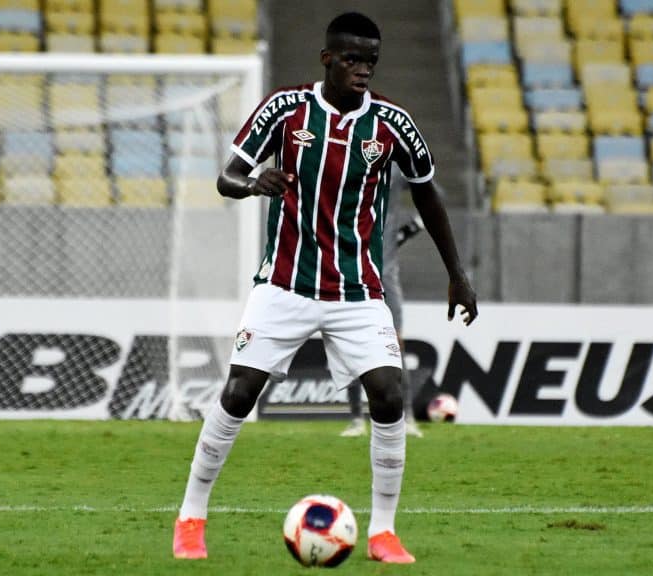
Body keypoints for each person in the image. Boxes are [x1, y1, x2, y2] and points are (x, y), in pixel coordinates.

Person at [172, 12, 478, 565]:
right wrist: (252, 184)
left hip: (359, 290)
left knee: (389, 394)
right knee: (239, 393)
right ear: (328, 59)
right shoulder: (286, 110)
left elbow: (428, 194)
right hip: (284, 283)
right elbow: (227, 176)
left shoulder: (392, 124)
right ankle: (191, 518)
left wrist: (457, 273)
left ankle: (383, 533)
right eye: (354, 59)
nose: (363, 70)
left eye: (371, 62)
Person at [341, 165, 425, 438]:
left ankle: (408, 417)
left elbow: (431, 189)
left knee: (396, 345)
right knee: (352, 345)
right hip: (353, 274)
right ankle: (356, 419)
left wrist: (410, 229)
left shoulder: (397, 170)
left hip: (386, 277)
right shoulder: (351, 164)